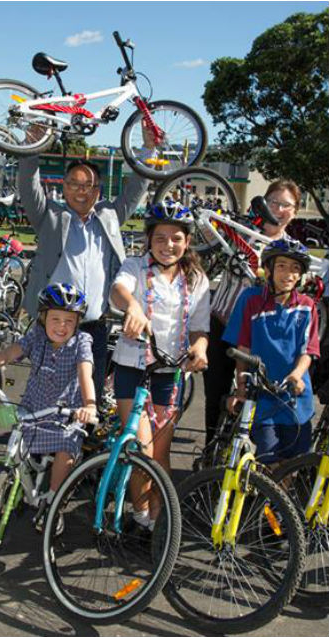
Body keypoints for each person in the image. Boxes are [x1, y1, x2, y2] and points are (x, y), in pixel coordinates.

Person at [17, 128, 155, 391]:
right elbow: (28, 185)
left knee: (91, 399)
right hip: (53, 326)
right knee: (47, 394)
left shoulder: (110, 215)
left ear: (98, 190)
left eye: (88, 185)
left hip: (94, 327)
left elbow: (137, 188)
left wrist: (148, 151)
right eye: (73, 184)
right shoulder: (49, 217)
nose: (81, 191)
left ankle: (85, 433)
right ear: (64, 186)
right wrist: (32, 146)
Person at [0, 283, 97, 531]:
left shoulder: (82, 341)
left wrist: (89, 404)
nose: (62, 326)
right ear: (43, 318)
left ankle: (54, 502)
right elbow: (5, 355)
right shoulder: (36, 336)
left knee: (66, 449)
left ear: (78, 323)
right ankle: (10, 483)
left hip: (65, 412)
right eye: (55, 319)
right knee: (12, 435)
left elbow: (85, 373)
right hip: (33, 406)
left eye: (69, 320)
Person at [109, 201, 210, 528]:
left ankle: (158, 519)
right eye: (161, 238)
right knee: (143, 451)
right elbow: (117, 291)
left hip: (171, 374)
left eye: (176, 238)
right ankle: (140, 518)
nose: (169, 245)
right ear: (149, 240)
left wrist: (200, 346)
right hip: (131, 370)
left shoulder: (197, 280)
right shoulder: (135, 266)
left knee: (162, 456)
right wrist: (134, 307)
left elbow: (199, 327)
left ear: (187, 241)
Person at [204, 180, 303, 446]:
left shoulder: (292, 248)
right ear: (263, 202)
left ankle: (236, 458)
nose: (279, 209)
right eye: (273, 202)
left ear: (295, 211)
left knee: (250, 396)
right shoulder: (243, 230)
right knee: (214, 395)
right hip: (221, 324)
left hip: (258, 334)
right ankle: (209, 454)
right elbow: (207, 236)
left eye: (286, 205)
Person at [223, 238, 319, 465]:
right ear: (268, 269)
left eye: (296, 268)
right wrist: (241, 388)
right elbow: (243, 348)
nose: (289, 274)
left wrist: (297, 374)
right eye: (282, 266)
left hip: (296, 399)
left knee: (293, 464)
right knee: (267, 458)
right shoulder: (251, 300)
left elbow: (308, 350)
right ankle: (265, 500)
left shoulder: (307, 306)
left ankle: (279, 501)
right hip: (262, 396)